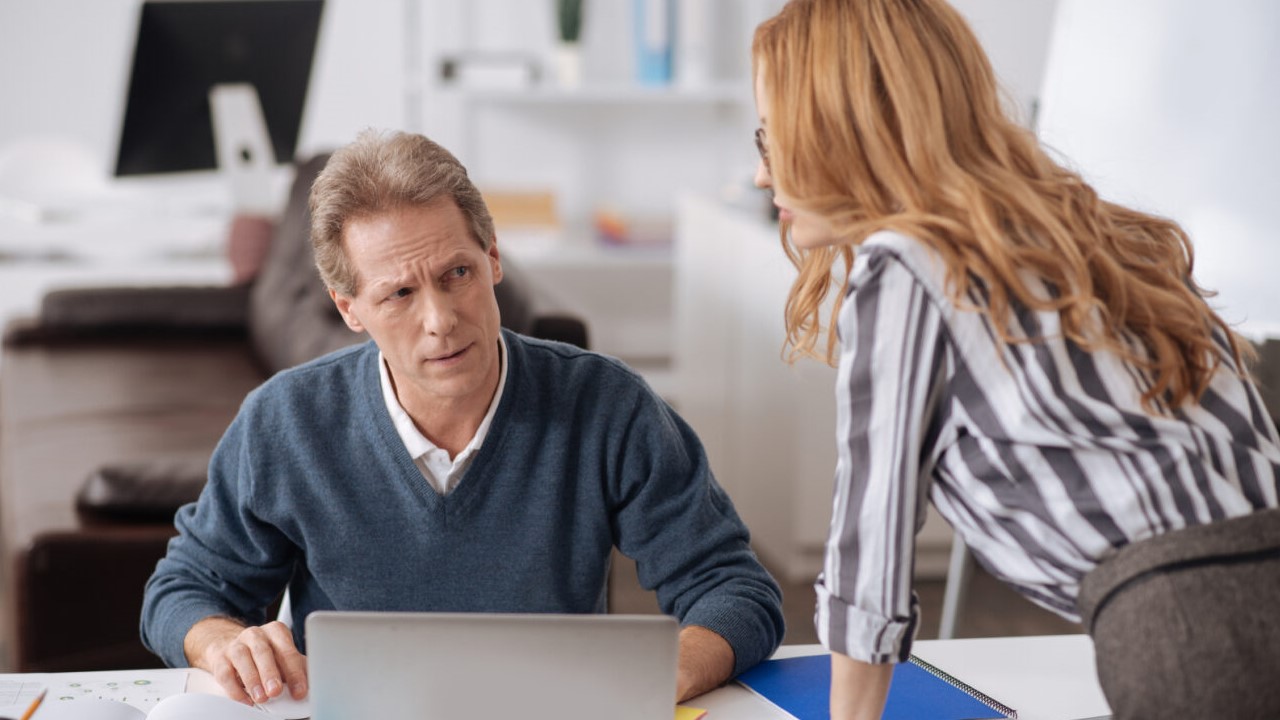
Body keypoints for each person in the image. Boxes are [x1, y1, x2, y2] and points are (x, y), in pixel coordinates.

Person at [749, 1, 1280, 718]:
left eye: (770, 138)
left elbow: (868, 555)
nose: (760, 174)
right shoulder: (1099, 232)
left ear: (839, 125)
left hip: (1188, 632)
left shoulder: (905, 265)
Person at [141, 129, 784, 706]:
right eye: (399, 294)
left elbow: (734, 590)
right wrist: (221, 639)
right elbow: (183, 591)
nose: (441, 320)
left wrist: (659, 677)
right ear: (349, 309)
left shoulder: (607, 407)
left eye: (457, 273)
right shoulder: (285, 422)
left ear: (494, 259)